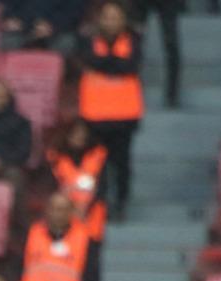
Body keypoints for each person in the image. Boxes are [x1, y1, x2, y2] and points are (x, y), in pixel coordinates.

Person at [78, 1, 144, 218]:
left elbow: (130, 66)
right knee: (97, 164)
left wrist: (103, 63)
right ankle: (100, 203)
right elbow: (88, 60)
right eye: (106, 17)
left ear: (123, 20)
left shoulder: (134, 39)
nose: (110, 22)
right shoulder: (88, 39)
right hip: (94, 114)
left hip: (125, 115)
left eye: (115, 17)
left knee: (122, 163)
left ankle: (121, 202)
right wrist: (115, 63)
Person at [48, 119, 109, 281]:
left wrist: (84, 208)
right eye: (74, 133)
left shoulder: (98, 156)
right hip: (62, 227)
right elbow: (51, 187)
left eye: (82, 134)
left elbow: (102, 189)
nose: (79, 138)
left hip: (91, 227)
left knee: (90, 275)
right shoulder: (55, 157)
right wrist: (67, 209)